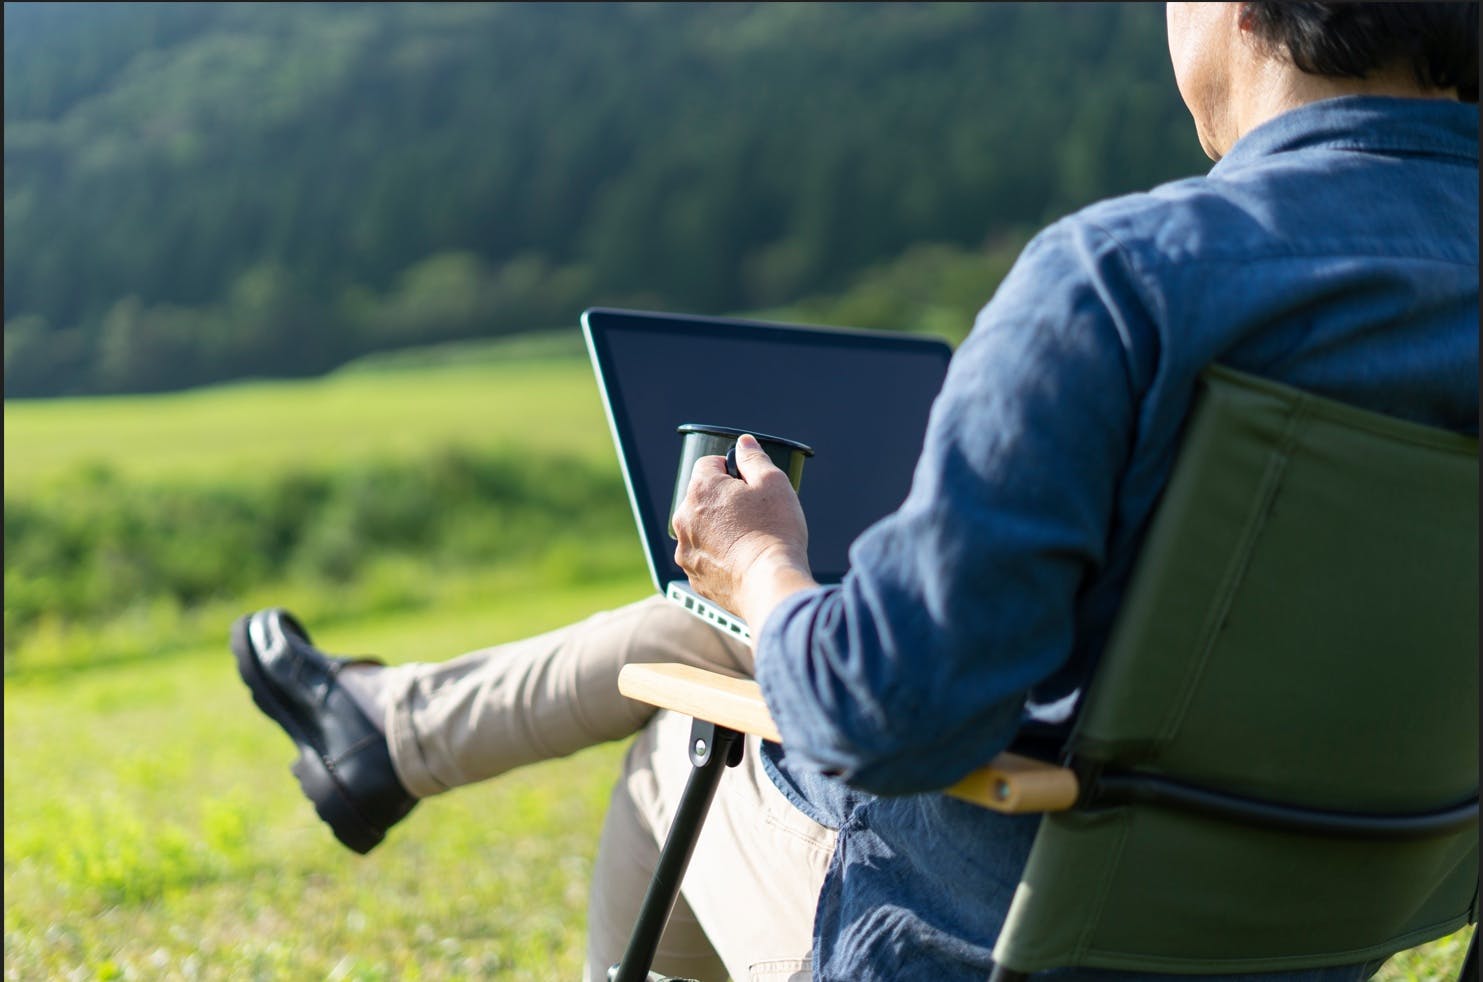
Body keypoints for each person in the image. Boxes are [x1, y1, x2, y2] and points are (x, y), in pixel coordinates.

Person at [231, 4, 1479, 980]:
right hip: (1342, 925)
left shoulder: (1124, 282)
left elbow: (887, 715)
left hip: (1000, 935)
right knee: (703, 641)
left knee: (688, 729)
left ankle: (387, 729)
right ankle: (384, 728)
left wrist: (767, 563)